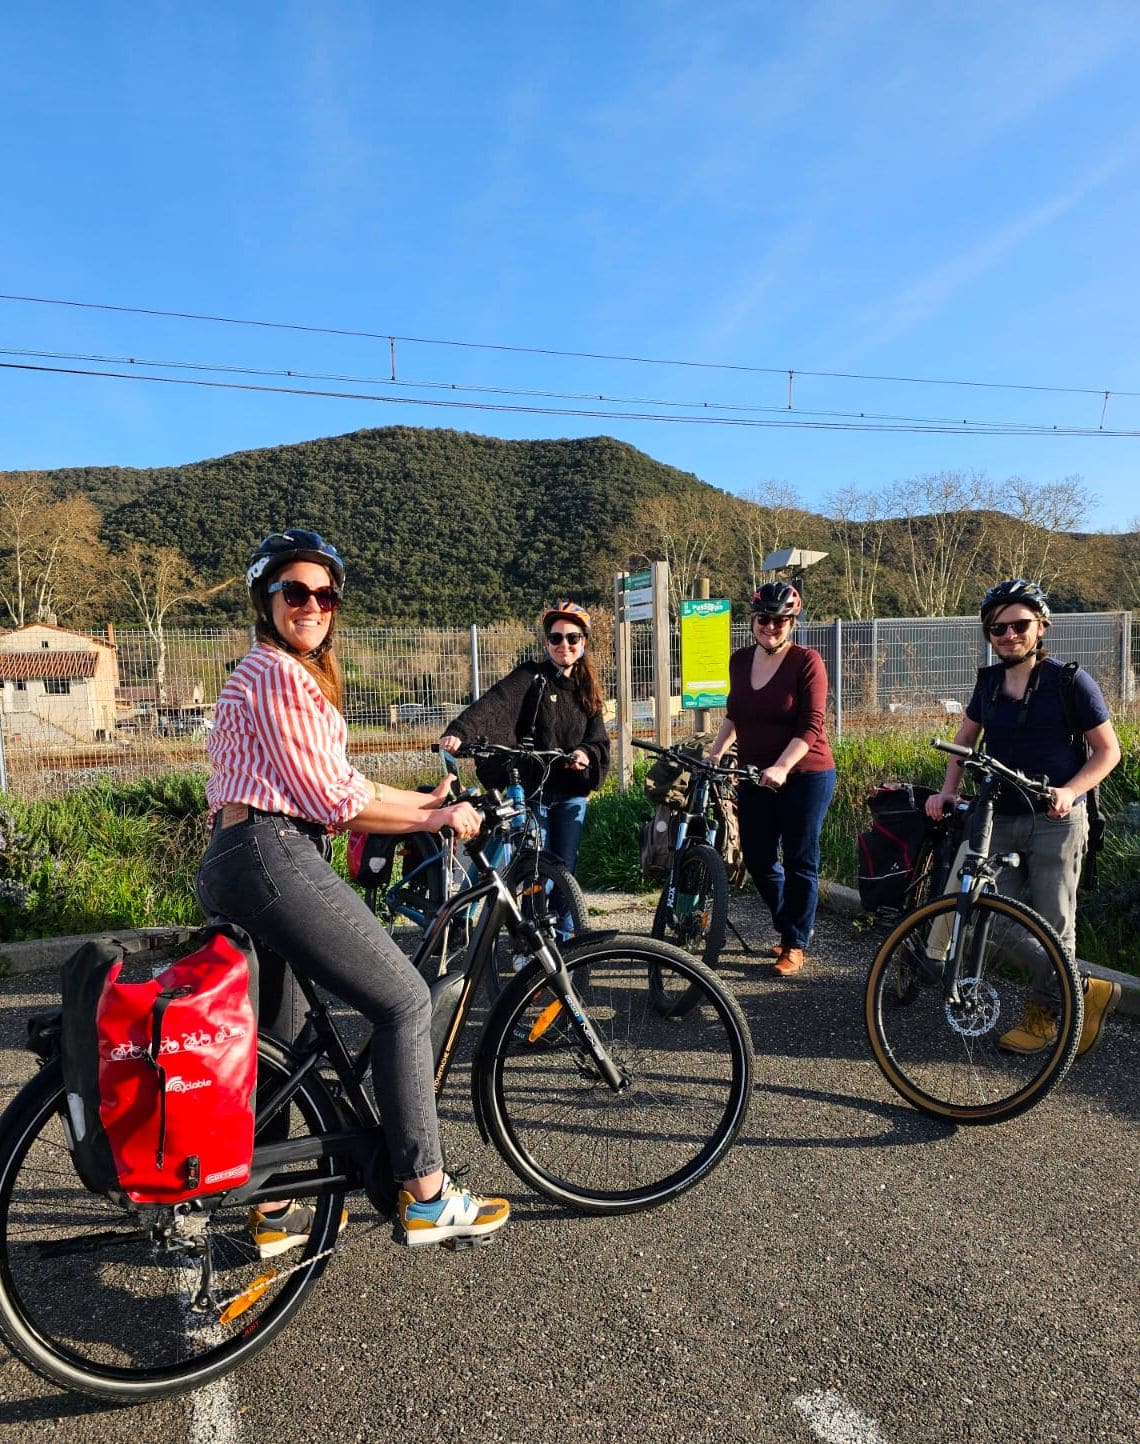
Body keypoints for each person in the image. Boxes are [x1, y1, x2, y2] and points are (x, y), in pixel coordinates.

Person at [196, 528, 510, 1255]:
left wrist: (424, 806)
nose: (312, 604)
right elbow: (336, 797)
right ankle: (428, 1196)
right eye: (295, 591)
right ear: (265, 600)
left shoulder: (267, 673)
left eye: (324, 593)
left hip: (243, 854)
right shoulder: (278, 675)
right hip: (271, 850)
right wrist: (437, 815)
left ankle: (268, 1211)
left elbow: (341, 788)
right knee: (400, 1000)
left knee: (280, 1039)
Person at [924, 578, 1122, 1056]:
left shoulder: (1069, 681)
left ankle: (1047, 1014)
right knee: (992, 921)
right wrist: (947, 792)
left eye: (1018, 625)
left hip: (1057, 818)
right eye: (997, 629)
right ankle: (1081, 990)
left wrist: (1071, 790)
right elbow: (963, 742)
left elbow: (1107, 750)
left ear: (1041, 626)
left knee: (1056, 924)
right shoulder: (988, 683)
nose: (1008, 635)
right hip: (1000, 818)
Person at [708, 582, 835, 976]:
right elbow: (735, 714)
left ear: (792, 623)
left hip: (805, 774)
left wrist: (781, 766)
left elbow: (811, 724)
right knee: (760, 859)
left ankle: (795, 942)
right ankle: (789, 924)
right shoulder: (740, 660)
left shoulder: (807, 661)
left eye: (780, 621)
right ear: (753, 620)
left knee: (799, 860)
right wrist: (715, 752)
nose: (771, 627)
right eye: (764, 619)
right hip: (752, 773)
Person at [437, 600, 609, 875]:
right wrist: (459, 731)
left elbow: (598, 739)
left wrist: (585, 753)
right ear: (547, 643)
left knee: (565, 874)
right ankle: (527, 916)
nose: (564, 644)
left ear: (583, 642)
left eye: (572, 637)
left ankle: (569, 921)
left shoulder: (587, 690)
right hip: (533, 791)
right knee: (536, 871)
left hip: (571, 793)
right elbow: (495, 703)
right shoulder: (532, 676)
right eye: (556, 637)